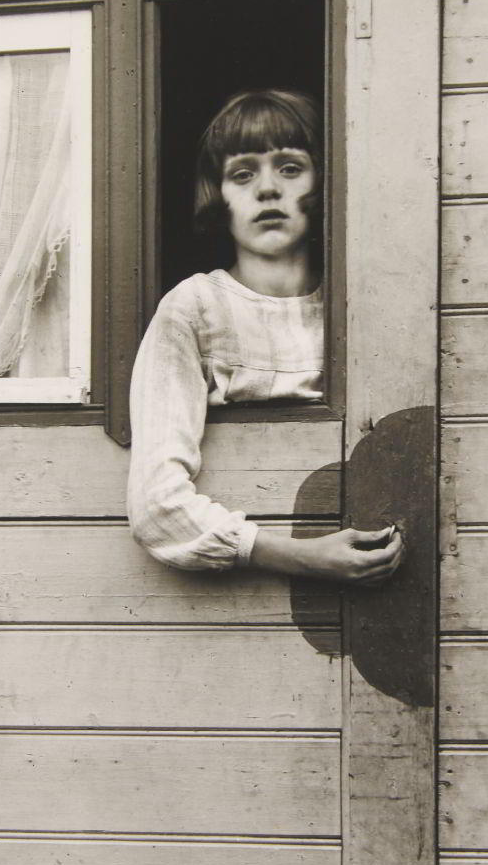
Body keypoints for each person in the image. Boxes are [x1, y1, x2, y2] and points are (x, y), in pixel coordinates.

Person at [127, 88, 404, 585]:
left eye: (290, 168)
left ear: (323, 182)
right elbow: (155, 504)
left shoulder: (364, 303)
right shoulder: (193, 308)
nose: (268, 190)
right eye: (243, 173)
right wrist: (300, 557)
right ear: (219, 194)